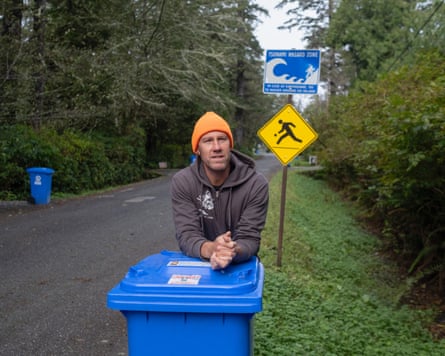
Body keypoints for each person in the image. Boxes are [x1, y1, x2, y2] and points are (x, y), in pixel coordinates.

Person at [171, 112, 269, 270]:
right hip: (197, 266)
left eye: (222, 139)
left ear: (230, 144)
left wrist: (230, 251)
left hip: (239, 268)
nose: (216, 147)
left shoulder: (256, 184)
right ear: (197, 149)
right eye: (208, 141)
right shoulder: (183, 182)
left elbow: (250, 239)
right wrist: (212, 249)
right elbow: (187, 234)